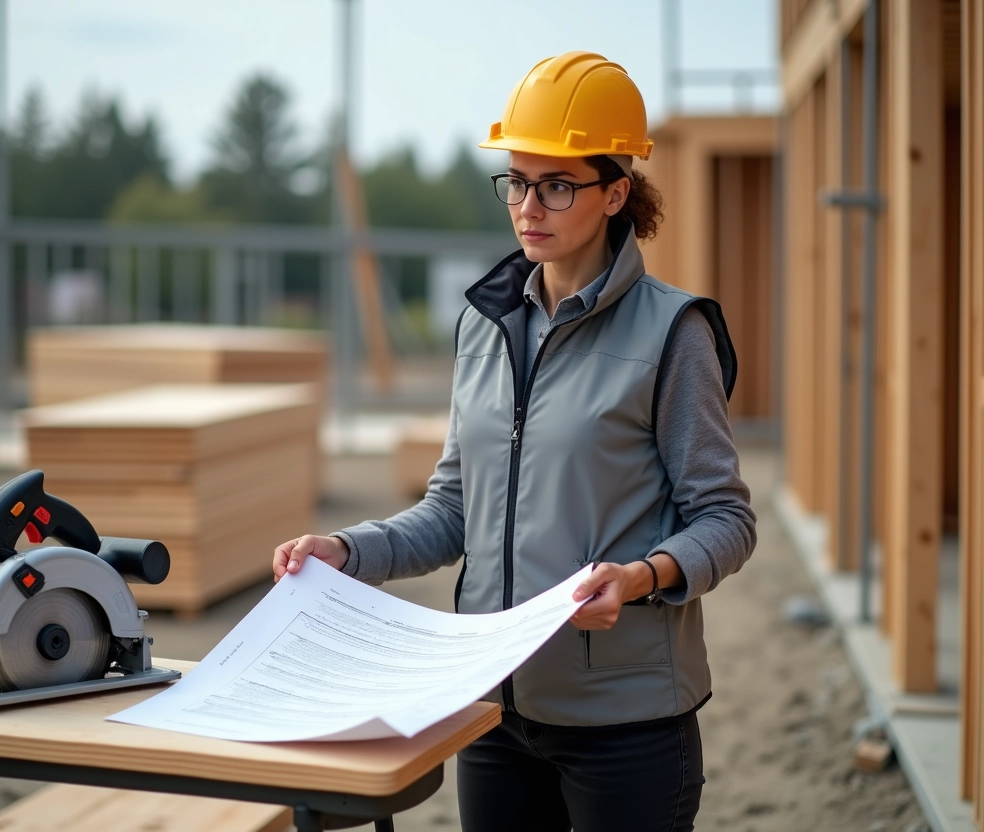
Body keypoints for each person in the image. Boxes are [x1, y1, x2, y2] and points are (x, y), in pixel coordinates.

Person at [272, 50, 757, 832]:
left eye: (557, 184)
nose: (529, 205)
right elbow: (453, 508)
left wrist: (640, 577)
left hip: (626, 726)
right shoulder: (484, 325)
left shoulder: (675, 333)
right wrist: (344, 549)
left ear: (616, 193)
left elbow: (726, 522)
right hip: (492, 714)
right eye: (518, 181)